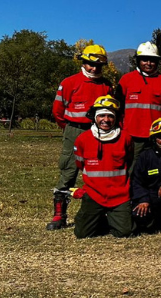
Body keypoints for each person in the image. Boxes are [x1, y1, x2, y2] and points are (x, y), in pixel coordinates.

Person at [47, 44, 113, 231]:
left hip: (98, 132)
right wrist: (70, 128)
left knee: (100, 170)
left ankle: (100, 213)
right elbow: (58, 111)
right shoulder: (69, 82)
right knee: (69, 169)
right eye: (90, 64)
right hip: (74, 130)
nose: (94, 69)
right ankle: (59, 215)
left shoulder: (107, 85)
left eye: (98, 66)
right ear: (83, 63)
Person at [70, 96, 134, 239]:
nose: (106, 119)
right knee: (82, 234)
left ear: (116, 118)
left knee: (124, 232)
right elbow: (80, 164)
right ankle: (95, 218)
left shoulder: (125, 138)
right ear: (95, 117)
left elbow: (128, 161)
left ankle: (110, 219)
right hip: (94, 194)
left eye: (110, 116)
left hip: (120, 195)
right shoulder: (83, 139)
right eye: (102, 115)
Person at [115, 42, 161, 166]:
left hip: (157, 135)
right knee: (132, 166)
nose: (148, 63)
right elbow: (117, 109)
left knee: (157, 166)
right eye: (145, 60)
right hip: (132, 135)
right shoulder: (126, 80)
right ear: (138, 61)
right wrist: (120, 129)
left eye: (152, 60)